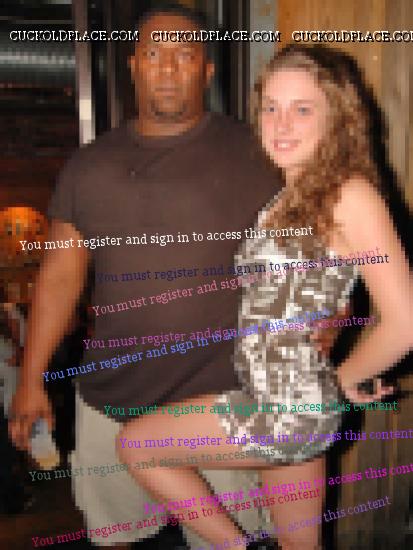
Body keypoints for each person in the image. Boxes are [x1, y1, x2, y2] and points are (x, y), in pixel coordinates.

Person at [8, 3, 287, 549]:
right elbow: (60, 277)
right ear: (133, 65)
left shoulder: (258, 154)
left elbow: (314, 245)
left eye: (185, 54)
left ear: (207, 69)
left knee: (227, 541)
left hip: (220, 401)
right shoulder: (88, 167)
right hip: (112, 399)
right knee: (117, 539)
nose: (168, 67)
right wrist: (31, 378)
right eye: (154, 53)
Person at [116, 45, 413, 550]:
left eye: (302, 109)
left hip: (288, 409)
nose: (281, 123)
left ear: (337, 118)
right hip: (276, 399)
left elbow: (404, 323)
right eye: (271, 107)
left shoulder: (348, 194)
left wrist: (340, 380)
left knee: (139, 445)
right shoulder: (289, 198)